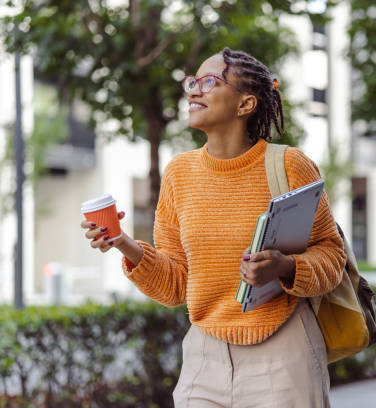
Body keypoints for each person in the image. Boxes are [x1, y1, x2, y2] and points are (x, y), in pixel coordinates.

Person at [81, 47, 346, 407]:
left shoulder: (290, 166)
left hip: (284, 352)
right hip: (204, 357)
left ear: (245, 104)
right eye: (192, 82)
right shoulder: (179, 173)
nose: (193, 90)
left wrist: (285, 266)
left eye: (209, 82)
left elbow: (332, 256)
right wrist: (123, 243)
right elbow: (175, 285)